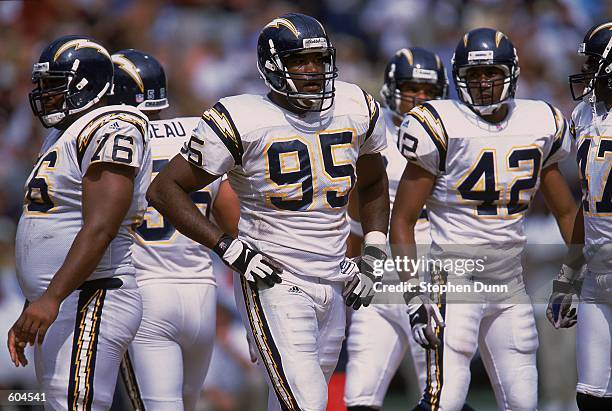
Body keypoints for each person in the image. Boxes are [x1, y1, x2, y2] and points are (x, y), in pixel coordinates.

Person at [146, 12, 390, 411]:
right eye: (299, 61)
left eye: (318, 60)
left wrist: (375, 250)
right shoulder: (242, 117)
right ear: (272, 67)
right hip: (274, 278)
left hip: (335, 278)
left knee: (295, 401)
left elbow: (373, 181)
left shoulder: (355, 105)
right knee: (307, 403)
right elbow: (165, 189)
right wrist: (226, 247)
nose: (312, 71)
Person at [390, 28, 578, 411]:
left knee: (523, 402)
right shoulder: (439, 124)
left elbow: (567, 211)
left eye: (491, 72)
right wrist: (412, 293)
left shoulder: (539, 120)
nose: (483, 83)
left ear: (511, 72)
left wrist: (571, 279)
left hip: (510, 281)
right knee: (446, 400)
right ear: (459, 78)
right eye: (474, 75)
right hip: (453, 279)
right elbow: (403, 219)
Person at [7, 35, 151, 410]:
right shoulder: (65, 133)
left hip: (92, 294)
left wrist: (51, 297)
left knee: (76, 404)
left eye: (56, 86)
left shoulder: (113, 124)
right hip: (66, 297)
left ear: (89, 85)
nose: (47, 96)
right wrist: (39, 299)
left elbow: (101, 225)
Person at [108, 49, 240, 410]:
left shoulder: (108, 142)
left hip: (144, 295)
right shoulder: (196, 130)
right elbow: (234, 222)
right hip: (201, 295)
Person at [343, 47, 449, 411]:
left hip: (430, 264)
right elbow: (358, 211)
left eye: (427, 89)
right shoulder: (370, 130)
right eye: (410, 87)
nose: (419, 97)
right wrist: (353, 264)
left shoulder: (451, 131)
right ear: (391, 88)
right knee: (359, 394)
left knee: (438, 393)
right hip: (377, 266)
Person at [547, 21, 612, 410]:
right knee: (590, 395)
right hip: (598, 274)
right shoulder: (585, 116)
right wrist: (567, 277)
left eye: (592, 65)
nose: (586, 74)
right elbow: (585, 205)